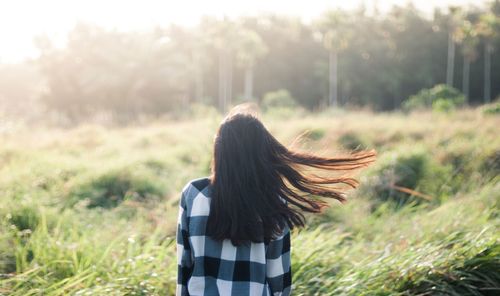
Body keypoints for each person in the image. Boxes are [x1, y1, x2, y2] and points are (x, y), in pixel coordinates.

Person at [176, 105, 376, 296]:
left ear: (219, 150)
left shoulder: (194, 194)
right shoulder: (271, 199)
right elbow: (278, 276)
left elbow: (184, 265)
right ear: (260, 152)